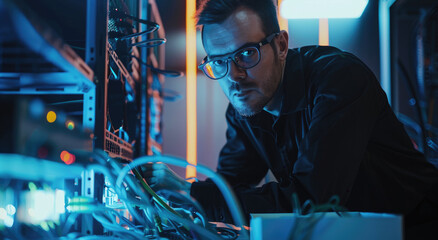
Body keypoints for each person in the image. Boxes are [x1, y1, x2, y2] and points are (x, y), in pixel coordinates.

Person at [145, 0, 438, 237]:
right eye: (218, 62)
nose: (234, 76)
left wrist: (193, 194)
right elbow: (229, 191)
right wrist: (177, 198)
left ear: (281, 46)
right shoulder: (244, 106)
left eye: (246, 54)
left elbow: (311, 199)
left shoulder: (339, 79)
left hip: (417, 227)